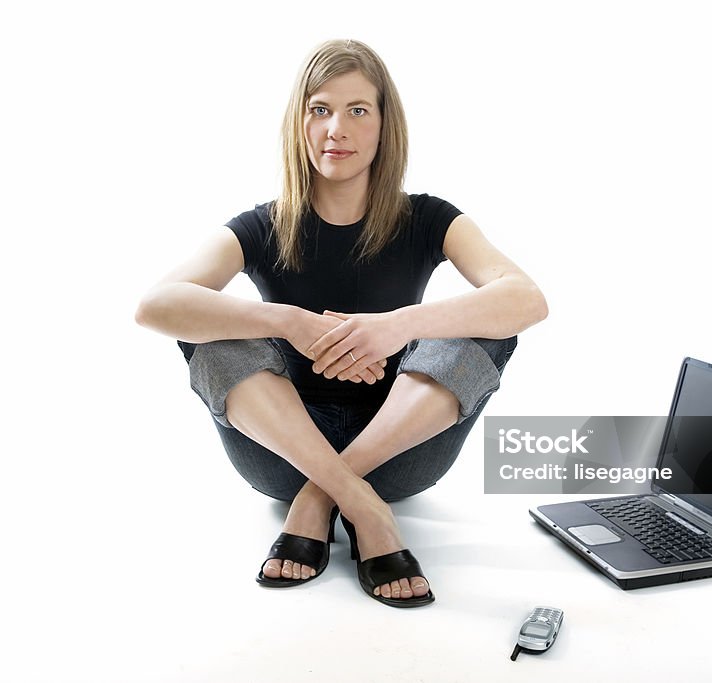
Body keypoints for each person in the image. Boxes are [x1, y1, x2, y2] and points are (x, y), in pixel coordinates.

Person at [135, 39, 547, 608]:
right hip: (280, 454)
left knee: (483, 323)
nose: (337, 129)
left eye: (358, 111)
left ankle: (320, 498)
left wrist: (395, 327)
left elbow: (526, 299)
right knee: (209, 326)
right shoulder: (261, 225)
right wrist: (288, 322)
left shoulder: (428, 218)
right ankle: (362, 508)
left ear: (384, 126)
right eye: (320, 109)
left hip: (400, 451)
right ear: (299, 124)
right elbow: (155, 305)